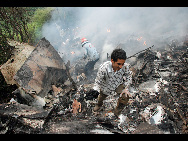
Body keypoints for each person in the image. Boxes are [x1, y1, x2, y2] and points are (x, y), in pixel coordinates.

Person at [92, 48, 133, 117]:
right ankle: (99, 105)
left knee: (125, 96)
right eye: (119, 64)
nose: (121, 66)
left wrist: (126, 88)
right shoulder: (103, 68)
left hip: (118, 85)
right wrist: (95, 90)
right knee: (101, 97)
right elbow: (98, 82)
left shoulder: (125, 67)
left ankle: (117, 112)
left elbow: (129, 76)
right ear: (112, 60)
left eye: (122, 64)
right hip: (106, 86)